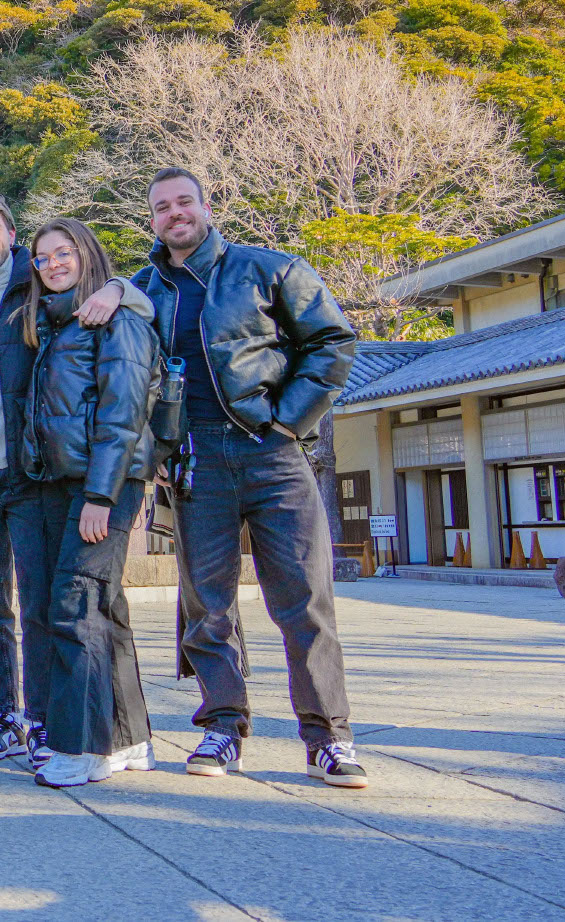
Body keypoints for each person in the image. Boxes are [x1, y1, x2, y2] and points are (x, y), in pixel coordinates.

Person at [132, 166, 366, 787]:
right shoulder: (144, 288)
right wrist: (155, 447)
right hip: (194, 460)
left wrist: (288, 423)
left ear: (207, 207)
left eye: (185, 202)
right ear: (151, 218)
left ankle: (327, 738)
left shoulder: (270, 269)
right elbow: (128, 377)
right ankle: (221, 725)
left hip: (272, 452)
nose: (175, 214)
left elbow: (334, 341)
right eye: (162, 207)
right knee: (207, 604)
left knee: (304, 600)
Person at [0, 190, 130, 767]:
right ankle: (3, 715)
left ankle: (42, 718)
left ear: (11, 234)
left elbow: (113, 295)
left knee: (41, 602)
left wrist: (119, 287)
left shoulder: (39, 287)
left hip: (30, 474)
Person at [17, 217, 162, 787]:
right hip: (58, 483)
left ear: (87, 255)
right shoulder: (58, 324)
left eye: (64, 253)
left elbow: (123, 414)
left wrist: (101, 494)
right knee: (106, 610)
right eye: (43, 257)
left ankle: (84, 747)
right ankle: (128, 737)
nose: (53, 264)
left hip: (103, 486)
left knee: (76, 607)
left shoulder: (117, 321)